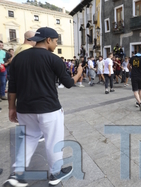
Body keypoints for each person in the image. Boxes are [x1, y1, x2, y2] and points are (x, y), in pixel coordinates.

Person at [5, 27, 83, 186]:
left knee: (28, 138)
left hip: (24, 109)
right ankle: (55, 173)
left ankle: (17, 174)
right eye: (55, 41)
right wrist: (79, 72)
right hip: (49, 109)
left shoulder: (18, 58)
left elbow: (12, 86)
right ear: (48, 40)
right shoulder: (54, 59)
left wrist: (11, 108)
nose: (55, 44)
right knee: (54, 141)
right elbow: (68, 83)